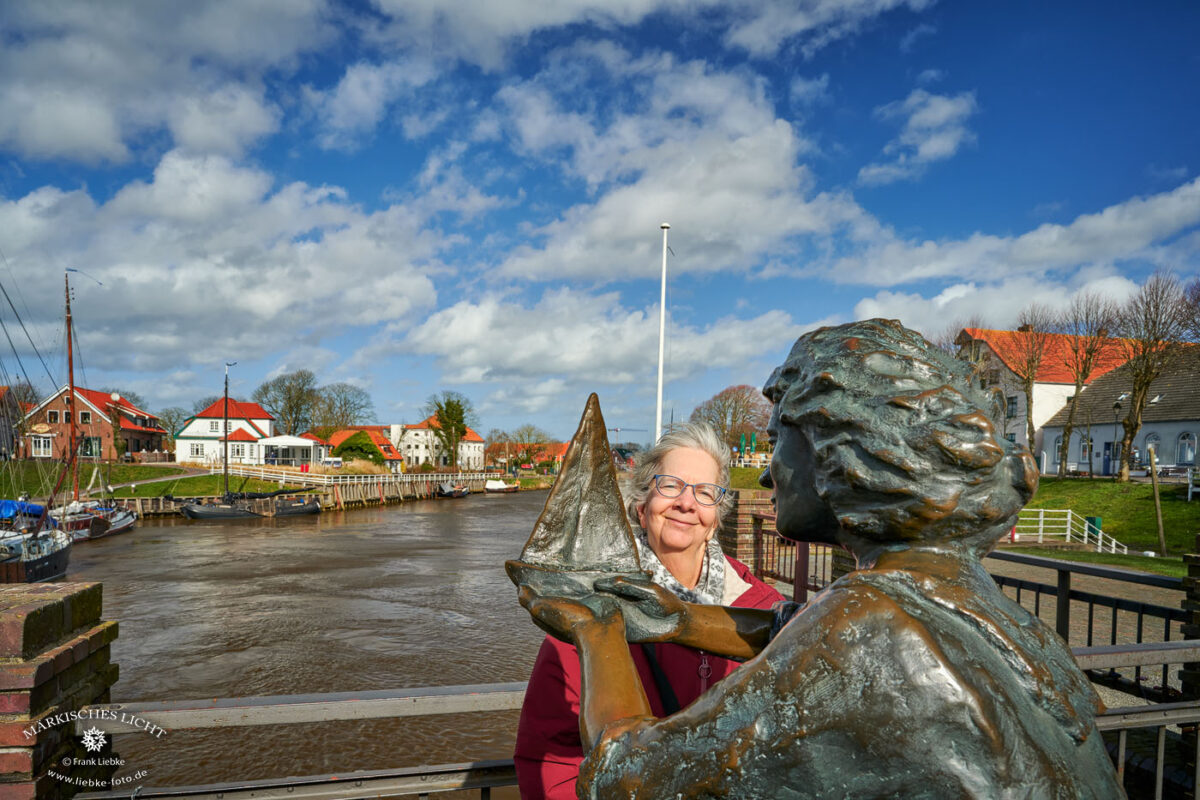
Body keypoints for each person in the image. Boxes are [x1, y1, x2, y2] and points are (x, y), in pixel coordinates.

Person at [518, 319, 1124, 799]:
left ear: (838, 452)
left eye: (780, 438)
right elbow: (795, 630)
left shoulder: (867, 627)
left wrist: (598, 628)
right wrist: (679, 618)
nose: (767, 469)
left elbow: (624, 781)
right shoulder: (965, 600)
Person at [513, 422, 784, 799]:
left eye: (705, 493)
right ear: (642, 506)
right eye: (670, 485)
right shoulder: (590, 608)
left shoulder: (765, 608)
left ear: (715, 520)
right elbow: (550, 755)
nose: (686, 503)